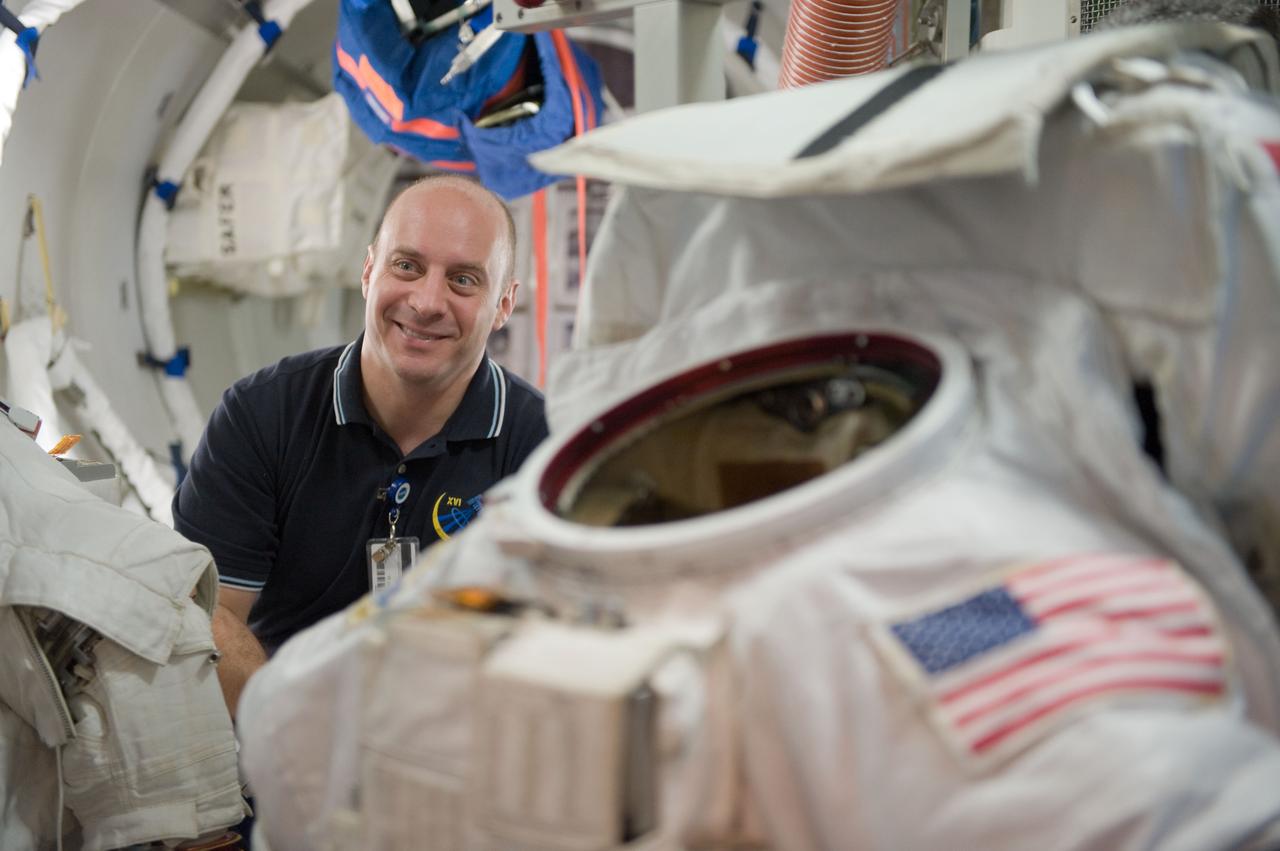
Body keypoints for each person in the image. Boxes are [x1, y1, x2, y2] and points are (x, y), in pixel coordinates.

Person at [173, 174, 548, 717]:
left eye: (463, 280)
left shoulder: (542, 449)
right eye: (407, 266)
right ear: (369, 270)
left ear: (504, 304)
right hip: (278, 725)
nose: (427, 302)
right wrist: (303, 735)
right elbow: (210, 613)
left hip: (460, 736)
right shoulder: (263, 414)